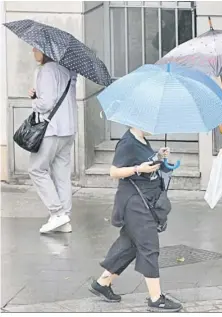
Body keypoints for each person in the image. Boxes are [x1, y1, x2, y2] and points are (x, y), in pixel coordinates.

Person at [89, 127, 182, 312]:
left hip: (144, 200)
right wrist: (138, 169)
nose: (154, 128)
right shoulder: (127, 142)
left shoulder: (140, 139)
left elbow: (144, 162)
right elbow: (114, 172)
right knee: (148, 245)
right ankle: (156, 298)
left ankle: (102, 283)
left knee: (129, 245)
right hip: (134, 203)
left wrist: (158, 156)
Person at [28, 48, 77, 234]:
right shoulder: (68, 69)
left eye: (35, 48)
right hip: (68, 129)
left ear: (45, 51)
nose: (33, 52)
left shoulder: (47, 70)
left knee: (36, 169)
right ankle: (64, 218)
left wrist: (34, 101)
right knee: (61, 173)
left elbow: (46, 103)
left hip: (52, 129)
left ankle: (57, 213)